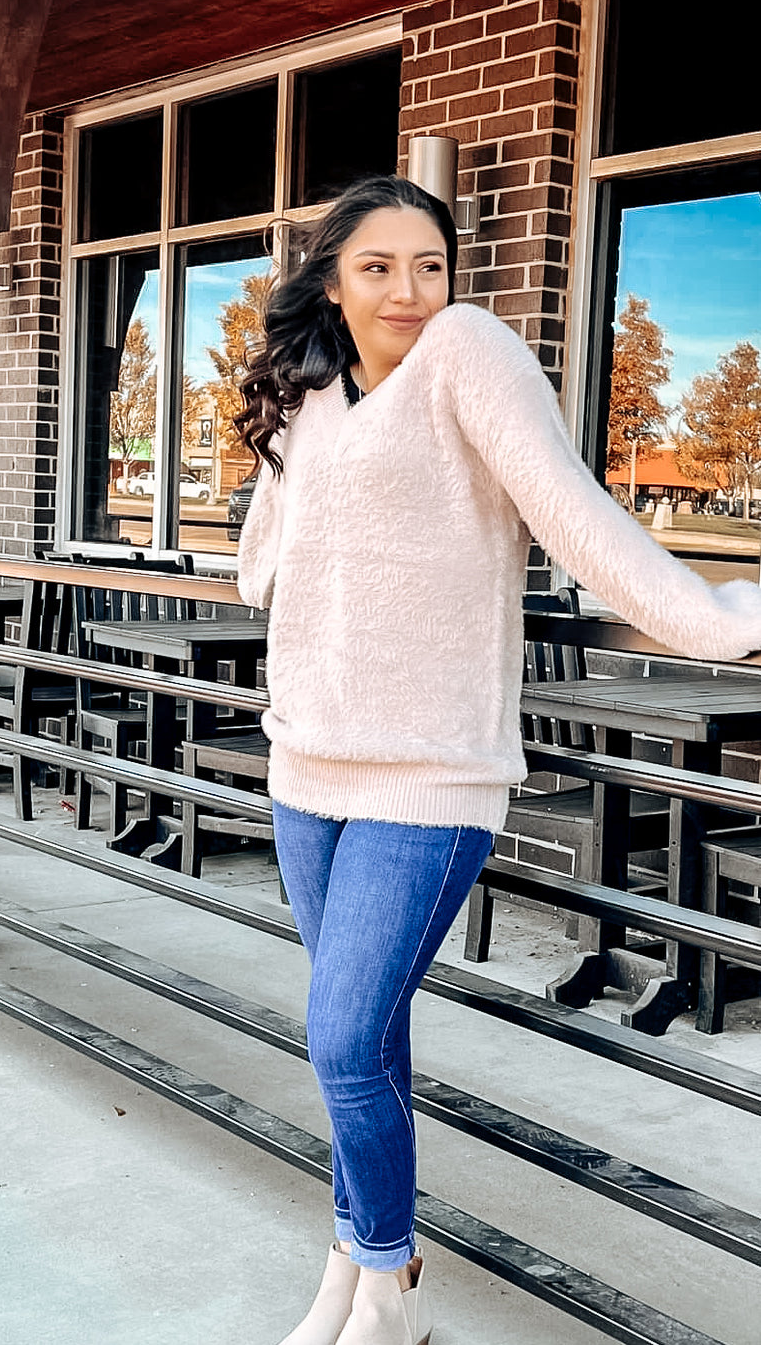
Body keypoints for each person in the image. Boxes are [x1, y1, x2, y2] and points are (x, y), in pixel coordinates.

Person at [233, 173, 761, 1345]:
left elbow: (572, 513)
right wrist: (283, 468)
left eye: (429, 264)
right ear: (331, 278)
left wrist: (721, 618)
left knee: (337, 1037)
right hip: (303, 767)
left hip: (427, 777)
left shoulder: (470, 352)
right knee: (361, 1041)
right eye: (376, 267)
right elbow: (263, 562)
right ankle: (356, 1274)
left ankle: (387, 1275)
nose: (409, 291)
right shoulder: (315, 393)